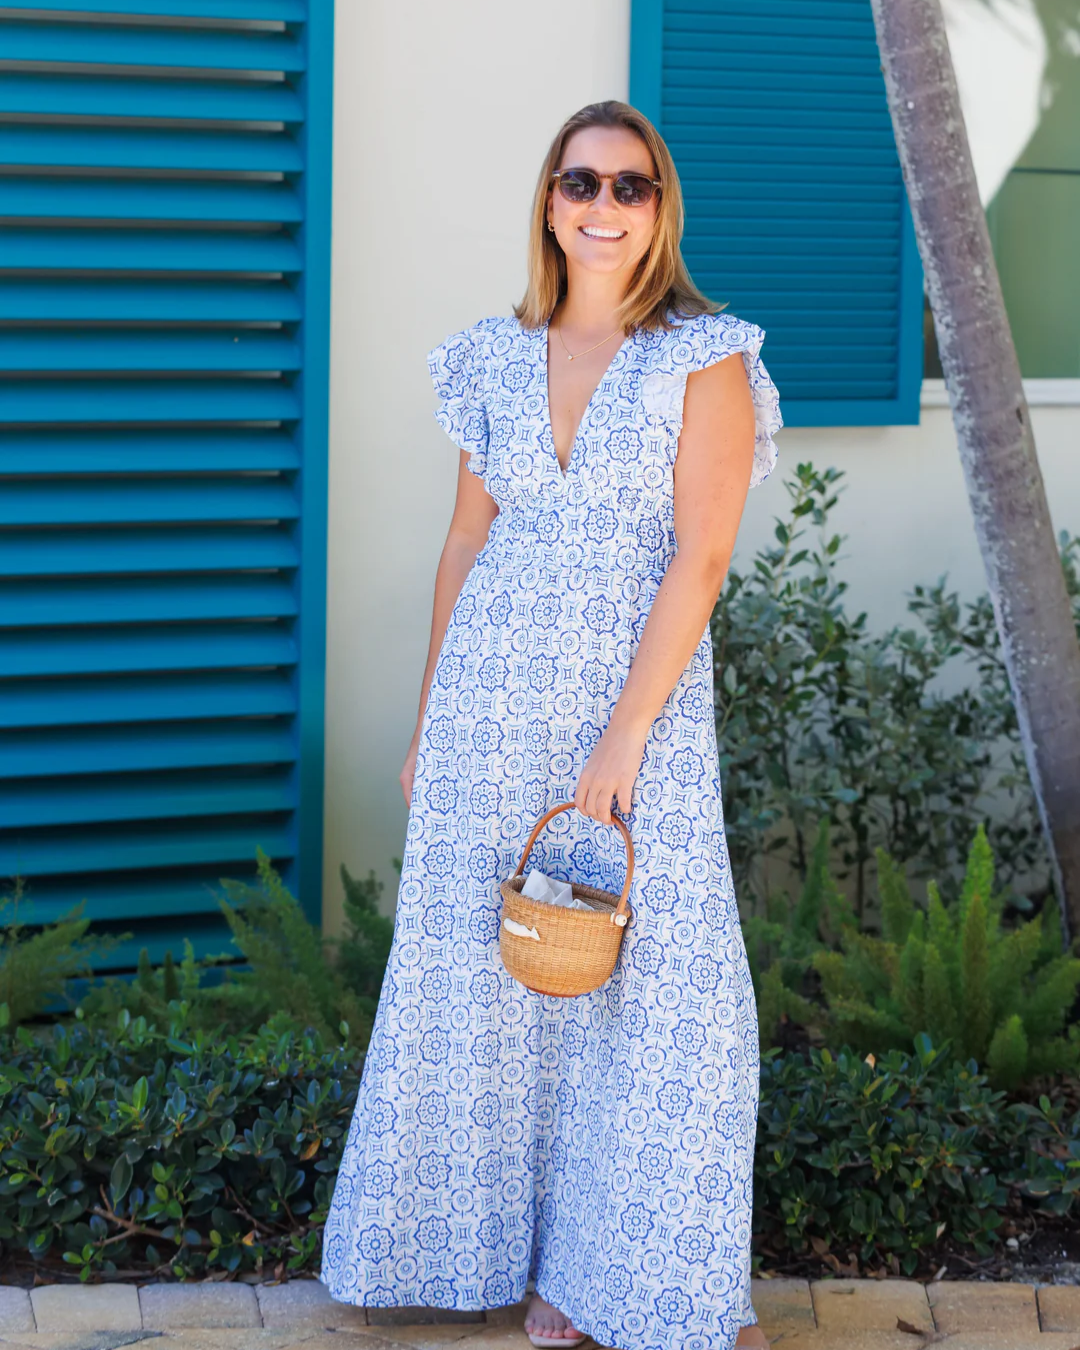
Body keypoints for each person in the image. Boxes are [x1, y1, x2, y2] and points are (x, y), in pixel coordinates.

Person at [320, 99, 781, 1350]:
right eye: (581, 181)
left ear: (659, 208)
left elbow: (702, 557)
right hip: (490, 698)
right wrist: (429, 722)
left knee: (659, 987)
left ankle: (633, 1277)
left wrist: (627, 734)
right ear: (549, 199)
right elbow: (466, 542)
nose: (603, 205)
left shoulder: (705, 354)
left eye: (630, 186)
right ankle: (506, 1262)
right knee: (496, 973)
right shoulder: (489, 354)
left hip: (638, 706)